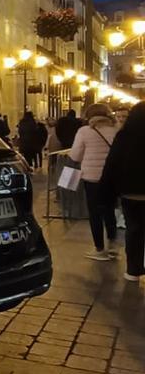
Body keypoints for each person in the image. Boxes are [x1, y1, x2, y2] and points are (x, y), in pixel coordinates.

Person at [100, 102, 145, 282]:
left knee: (134, 229)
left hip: (130, 192)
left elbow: (112, 163)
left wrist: (107, 190)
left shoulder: (124, 136)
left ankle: (133, 270)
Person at [71, 103, 119, 261]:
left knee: (95, 213)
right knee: (110, 210)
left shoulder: (84, 131)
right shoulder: (116, 129)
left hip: (92, 177)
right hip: (111, 177)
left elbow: (75, 156)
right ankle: (113, 245)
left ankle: (99, 249)